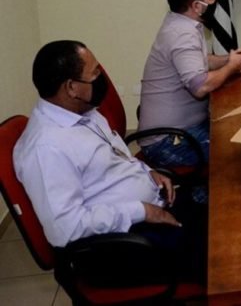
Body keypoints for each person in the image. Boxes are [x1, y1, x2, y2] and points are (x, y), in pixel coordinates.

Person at [14, 40, 206, 282]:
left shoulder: (84, 112)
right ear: (71, 87)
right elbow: (65, 229)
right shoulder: (46, 148)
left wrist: (147, 172)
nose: (102, 77)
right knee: (222, 255)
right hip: (121, 244)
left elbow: (115, 157)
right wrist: (142, 211)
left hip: (151, 209)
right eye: (95, 73)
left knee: (220, 216)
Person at [138, 0, 241, 172]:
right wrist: (231, 67)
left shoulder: (180, 22)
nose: (213, 1)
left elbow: (199, 61)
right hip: (166, 142)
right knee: (236, 153)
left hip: (182, 129)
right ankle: (203, 191)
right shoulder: (182, 34)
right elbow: (200, 86)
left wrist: (227, 60)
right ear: (197, 6)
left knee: (236, 135)